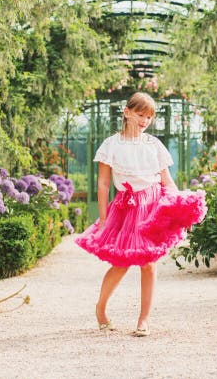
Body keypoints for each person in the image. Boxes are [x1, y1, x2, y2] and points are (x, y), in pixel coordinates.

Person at [75, 92, 207, 337]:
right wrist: (103, 219)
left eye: (149, 116)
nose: (145, 120)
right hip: (125, 208)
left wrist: (181, 209)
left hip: (152, 206)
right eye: (140, 114)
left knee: (148, 263)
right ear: (127, 112)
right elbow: (103, 184)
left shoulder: (153, 145)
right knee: (121, 263)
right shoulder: (111, 145)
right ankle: (100, 308)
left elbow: (167, 180)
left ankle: (143, 319)